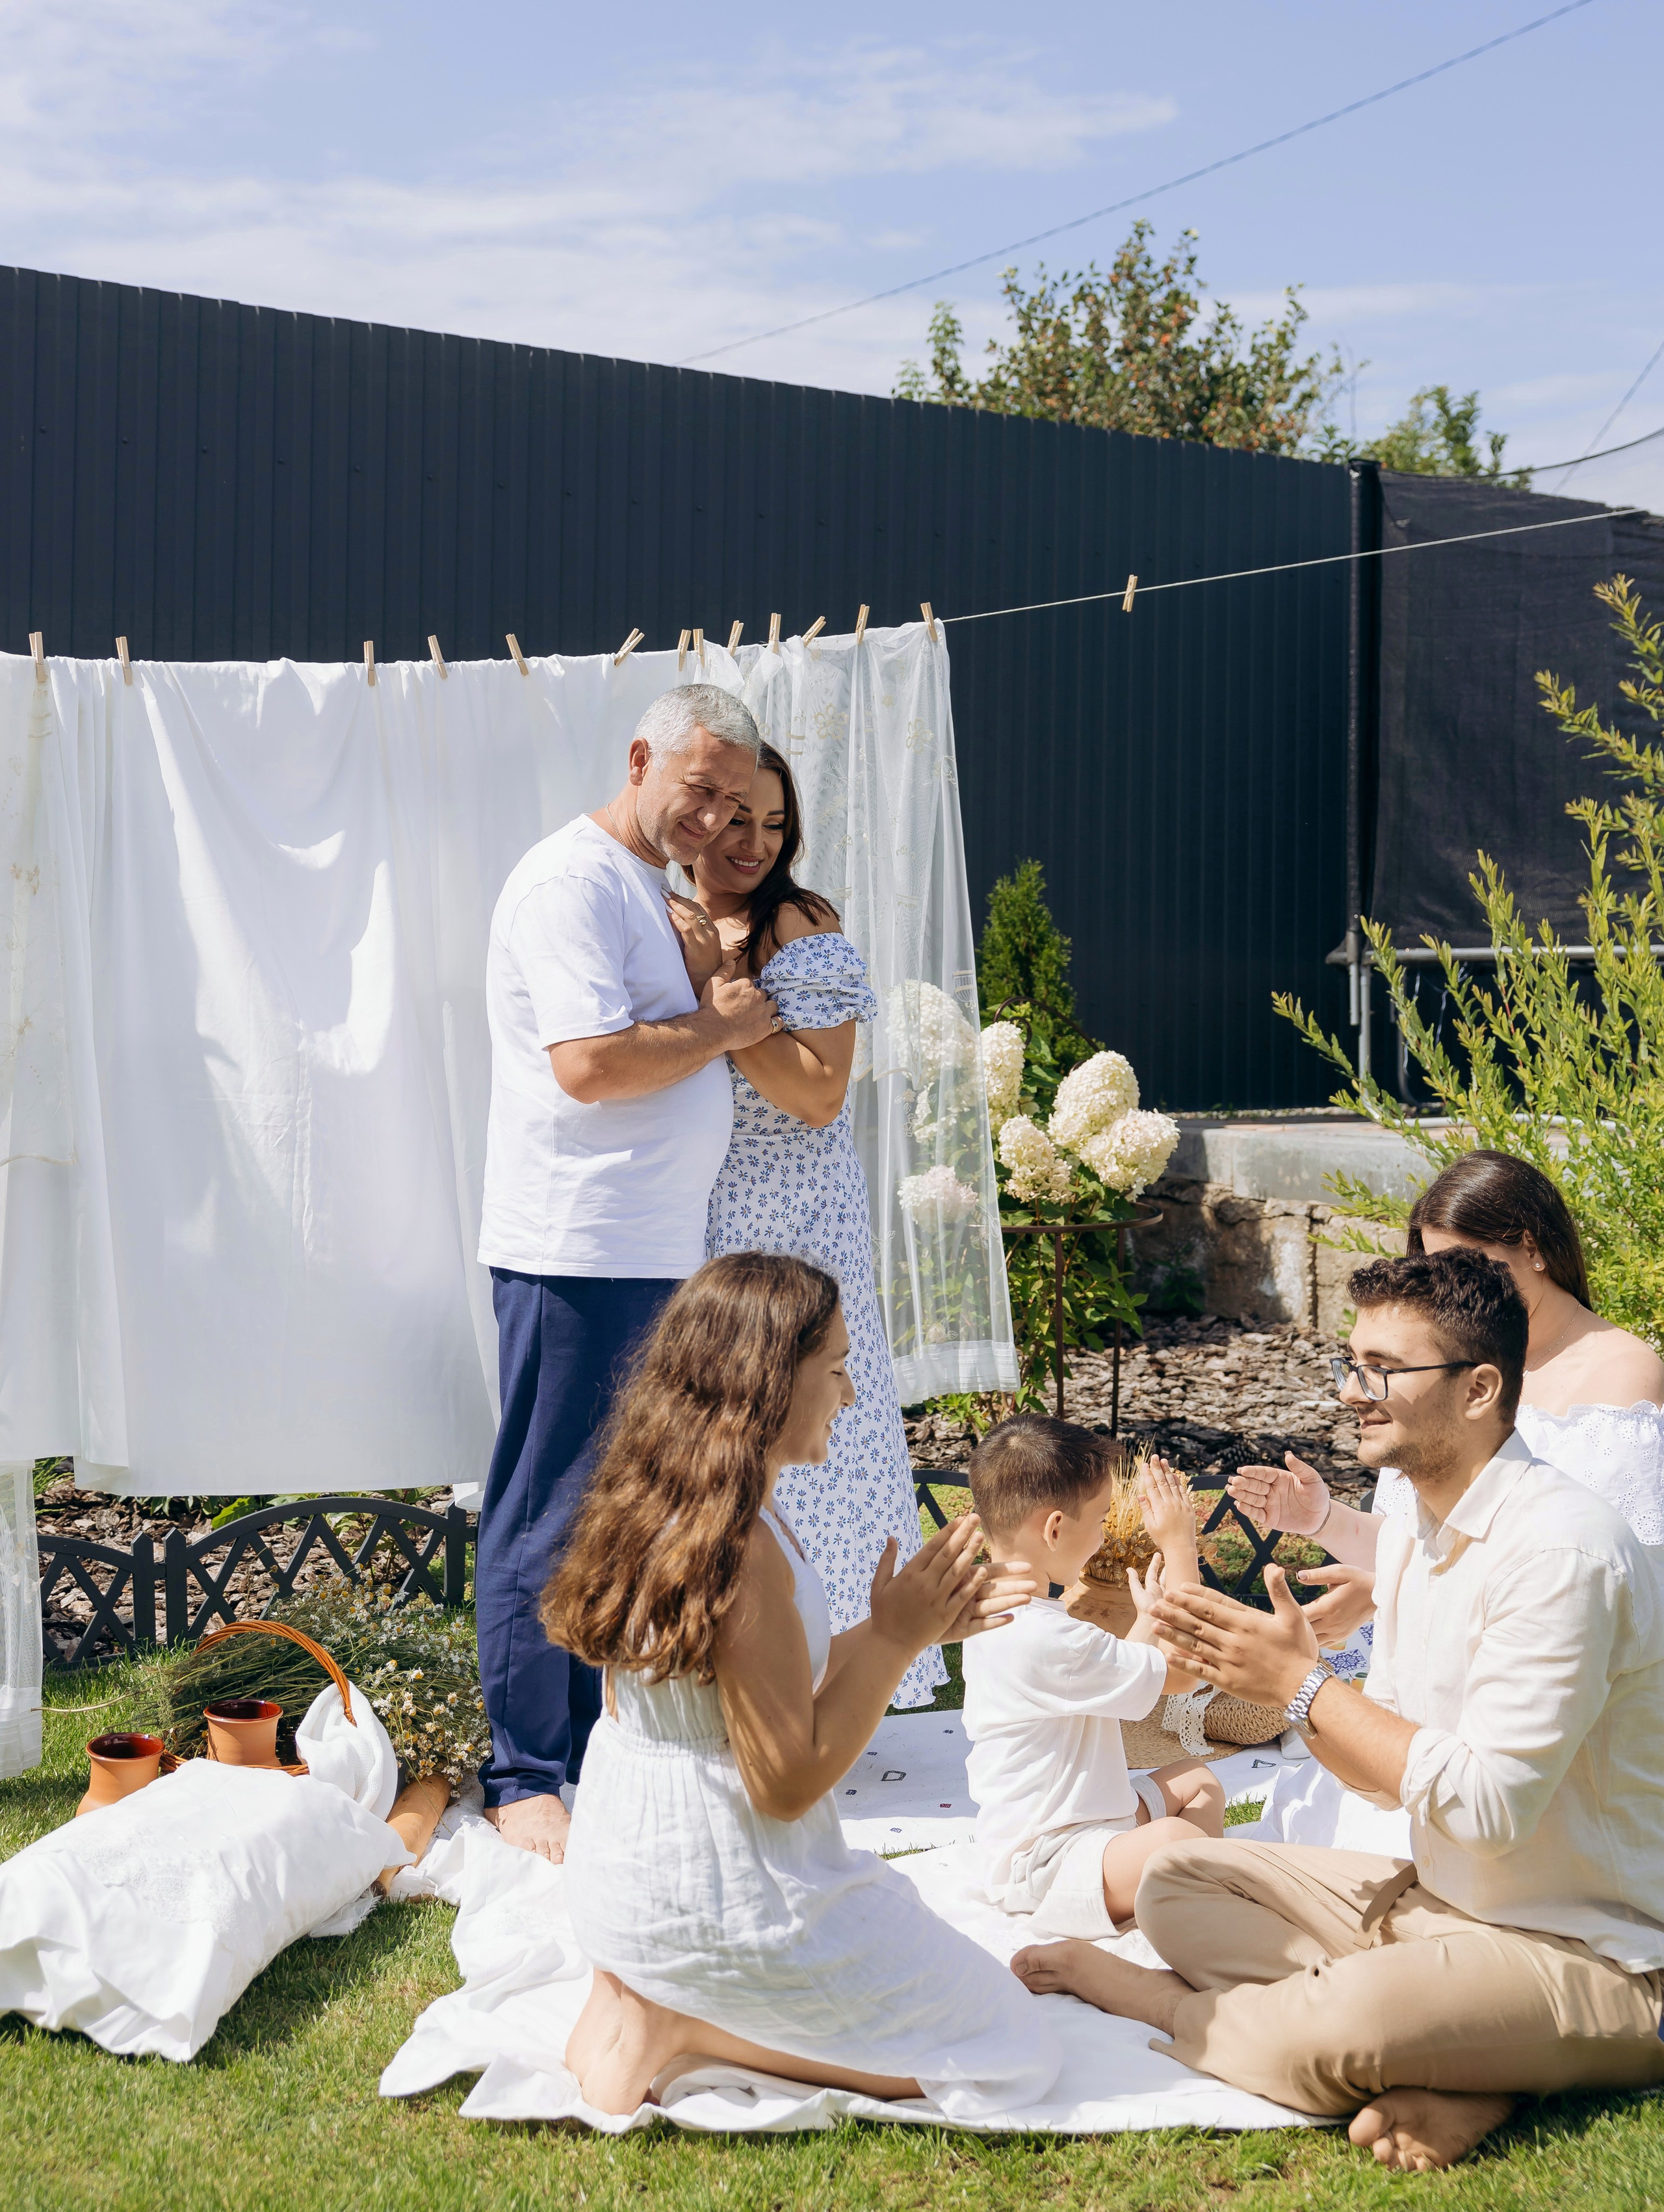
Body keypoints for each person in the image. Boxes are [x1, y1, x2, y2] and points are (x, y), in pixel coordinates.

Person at [1015, 1248, 1664, 2173]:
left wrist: (1302, 1687)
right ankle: (1477, 2053)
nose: (1353, 1391)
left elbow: (1489, 1808)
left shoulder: (1562, 1552)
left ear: (1479, 1389)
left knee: (1343, 2023)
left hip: (1596, 1953)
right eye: (1350, 1364)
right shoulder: (1415, 1535)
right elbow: (1386, 1783)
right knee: (1178, 1881)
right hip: (1438, 1904)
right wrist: (1290, 1686)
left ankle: (1175, 2007)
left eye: (1383, 1370)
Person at [549, 1253, 1061, 2119]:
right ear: (768, 1381)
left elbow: (751, 1683)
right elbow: (784, 1783)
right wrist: (895, 1639)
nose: (850, 1395)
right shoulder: (739, 1548)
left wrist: (915, 1624)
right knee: (1010, 2047)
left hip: (632, 1883)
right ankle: (686, 2022)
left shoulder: (677, 1500)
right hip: (717, 1895)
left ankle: (645, 1995)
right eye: (836, 1368)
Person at [474, 684, 782, 1862]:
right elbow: (592, 1065)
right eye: (699, 790)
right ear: (642, 757)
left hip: (648, 1246)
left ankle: (585, 1743)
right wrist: (728, 1028)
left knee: (613, 1508)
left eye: (735, 803)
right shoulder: (572, 882)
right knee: (547, 1506)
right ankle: (522, 1775)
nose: (714, 819)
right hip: (578, 1244)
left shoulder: (646, 888)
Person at [692, 742, 945, 1706]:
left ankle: (834, 1679)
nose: (756, 842)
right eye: (737, 819)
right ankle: (728, 1669)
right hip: (702, 1224)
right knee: (723, 1444)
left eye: (774, 823)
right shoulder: (665, 921)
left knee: (810, 1437)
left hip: (798, 1225)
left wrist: (726, 1016)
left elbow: (820, 1093)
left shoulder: (798, 924)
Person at [1228, 1151, 1664, 1650]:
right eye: (1440, 1269)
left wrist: (1390, 1592)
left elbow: (1604, 1580)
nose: (1457, 1288)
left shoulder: (1620, 1371)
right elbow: (1416, 1542)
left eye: (1472, 1264)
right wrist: (1323, 1518)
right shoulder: (1439, 1361)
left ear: (1532, 1246)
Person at [959, 1417, 1224, 1936]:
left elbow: (1115, 1671)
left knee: (1197, 1779)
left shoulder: (1002, 1611)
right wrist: (1180, 1548)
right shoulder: (1046, 1640)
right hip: (1048, 1861)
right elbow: (1183, 1674)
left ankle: (1180, 1889)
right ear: (1055, 1529)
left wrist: (1149, 1619)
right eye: (1101, 1520)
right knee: (1175, 1841)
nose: (1104, 1535)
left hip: (1101, 1821)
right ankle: (1188, 1895)